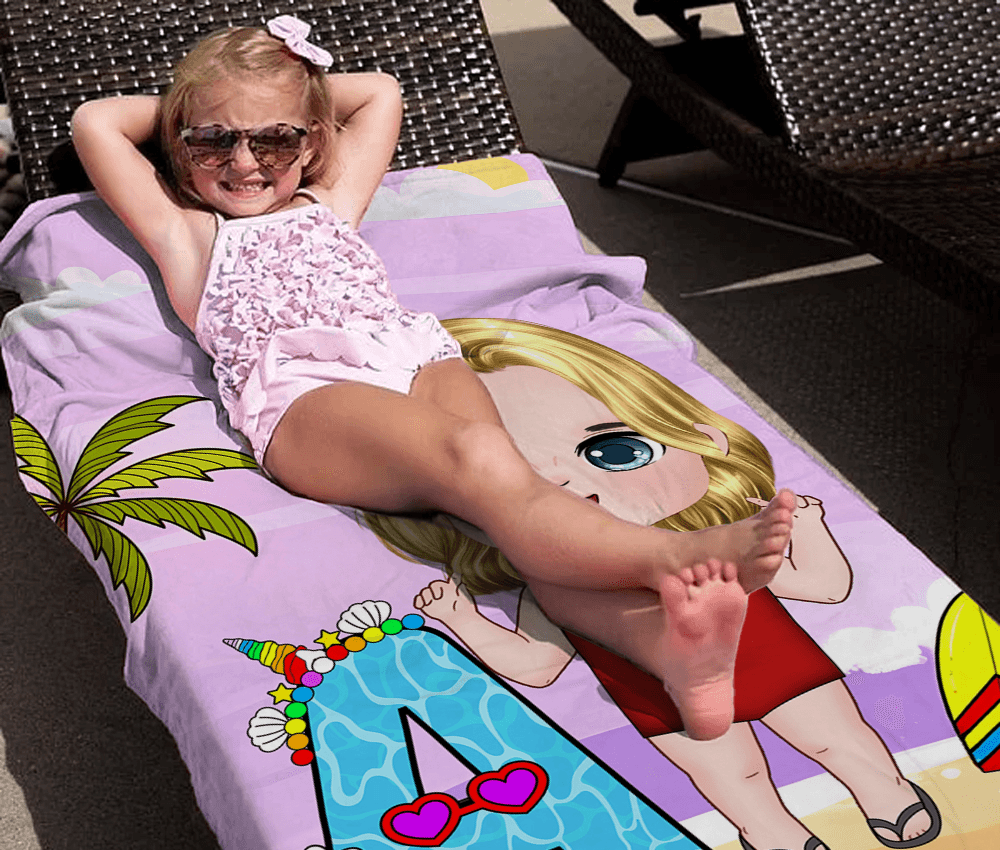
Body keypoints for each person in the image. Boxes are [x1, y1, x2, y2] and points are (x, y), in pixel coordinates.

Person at [70, 15, 797, 742]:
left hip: (416, 359)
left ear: (313, 141)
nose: (244, 161)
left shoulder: (330, 200)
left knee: (512, 496)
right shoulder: (189, 233)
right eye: (213, 140)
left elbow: (380, 92)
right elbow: (95, 122)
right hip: (308, 397)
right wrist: (212, 98)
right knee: (481, 459)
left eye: (275, 140)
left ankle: (677, 655)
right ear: (180, 143)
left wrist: (286, 85)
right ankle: (674, 557)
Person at [363, 318, 941, 850]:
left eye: (616, 451)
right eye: (518, 484)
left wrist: (806, 530)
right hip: (652, 684)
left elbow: (823, 588)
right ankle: (770, 829)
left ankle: (882, 789)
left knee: (835, 738)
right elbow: (538, 665)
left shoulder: (714, 542)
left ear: (703, 437)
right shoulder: (552, 581)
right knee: (733, 773)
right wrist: (462, 619)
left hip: (760, 651)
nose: (567, 487)